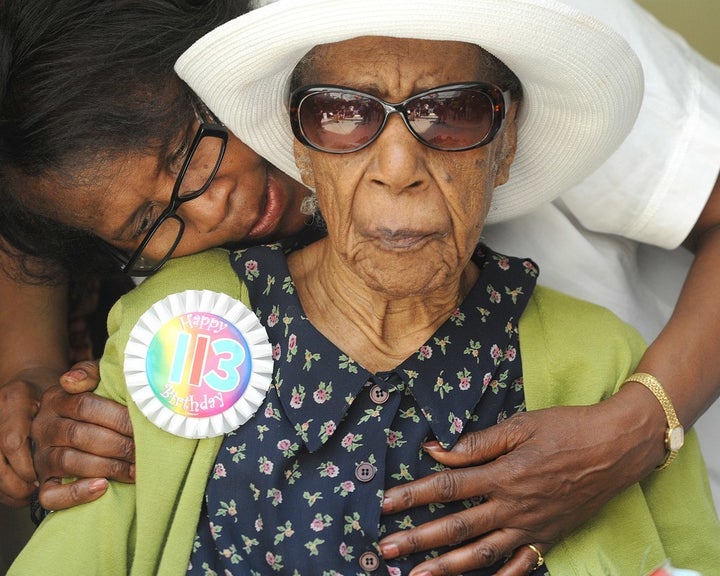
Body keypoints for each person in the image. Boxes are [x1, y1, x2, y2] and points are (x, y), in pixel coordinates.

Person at [1, 0, 719, 572]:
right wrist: (30, 377)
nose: (210, 207)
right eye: (153, 220)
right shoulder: (176, 311)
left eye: (190, 153)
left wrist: (635, 427)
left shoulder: (525, 28)